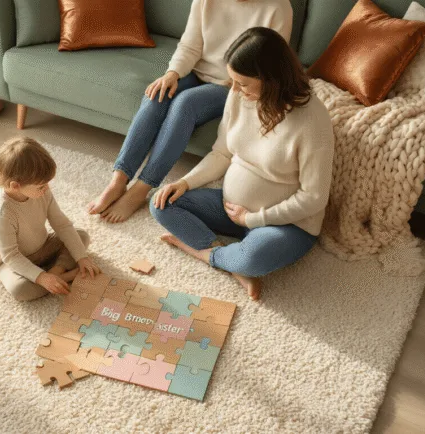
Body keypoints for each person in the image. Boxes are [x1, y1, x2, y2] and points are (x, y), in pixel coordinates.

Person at [150, 27, 335, 301]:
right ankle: (226, 258)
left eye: (243, 84)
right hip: (231, 210)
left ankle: (207, 253)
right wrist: (184, 182)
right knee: (162, 203)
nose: (233, 90)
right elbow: (222, 153)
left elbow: (313, 198)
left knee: (253, 259)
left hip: (286, 225)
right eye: (232, 81)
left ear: (271, 79)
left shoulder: (311, 120)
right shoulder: (239, 98)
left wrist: (254, 219)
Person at [88, 0, 294, 223]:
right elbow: (190, 44)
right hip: (195, 72)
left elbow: (271, 66)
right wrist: (172, 73)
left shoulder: (278, 9)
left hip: (231, 85)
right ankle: (118, 181)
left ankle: (142, 187)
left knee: (185, 103)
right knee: (156, 94)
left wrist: (235, 81)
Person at [0, 137, 101, 301]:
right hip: (7, 260)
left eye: (47, 183)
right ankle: (64, 277)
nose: (47, 188)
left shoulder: (42, 192)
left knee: (81, 236)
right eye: (41, 186)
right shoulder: (2, 213)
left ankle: (57, 272)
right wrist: (42, 278)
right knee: (21, 290)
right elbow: (11, 256)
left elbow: (62, 225)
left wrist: (82, 257)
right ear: (15, 186)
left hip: (42, 246)